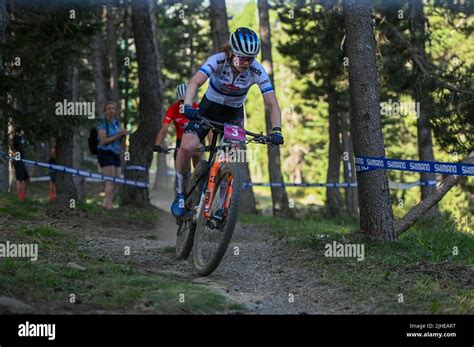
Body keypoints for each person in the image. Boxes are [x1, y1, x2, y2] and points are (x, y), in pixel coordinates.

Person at [171, 27, 284, 217]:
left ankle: (221, 207)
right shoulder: (218, 60)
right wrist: (188, 105)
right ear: (231, 52)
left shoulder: (257, 70)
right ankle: (181, 193)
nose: (247, 62)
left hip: (233, 117)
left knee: (229, 159)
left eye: (252, 57)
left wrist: (277, 130)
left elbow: (272, 104)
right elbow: (194, 83)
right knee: (186, 148)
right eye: (243, 57)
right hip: (208, 110)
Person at [153, 83, 202, 165]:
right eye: (181, 101)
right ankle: (181, 177)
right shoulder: (172, 109)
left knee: (196, 154)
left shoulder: (197, 108)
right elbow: (164, 129)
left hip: (196, 138)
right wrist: (157, 144)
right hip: (181, 140)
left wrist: (210, 144)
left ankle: (198, 175)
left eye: (186, 100)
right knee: (179, 164)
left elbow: (208, 127)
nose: (184, 103)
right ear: (178, 100)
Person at [97, 101, 128, 209]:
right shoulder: (102, 124)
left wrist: (123, 136)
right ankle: (109, 205)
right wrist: (118, 134)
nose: (111, 110)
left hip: (115, 153)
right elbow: (103, 141)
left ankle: (106, 203)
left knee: (117, 180)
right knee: (110, 180)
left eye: (113, 108)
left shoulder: (116, 123)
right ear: (105, 111)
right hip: (105, 152)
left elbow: (121, 142)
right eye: (109, 108)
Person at [12, 129, 30, 202]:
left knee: (26, 179)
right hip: (18, 160)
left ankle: (22, 195)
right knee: (19, 179)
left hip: (19, 160)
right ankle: (20, 196)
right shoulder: (16, 138)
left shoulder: (19, 138)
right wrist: (15, 157)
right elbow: (14, 148)